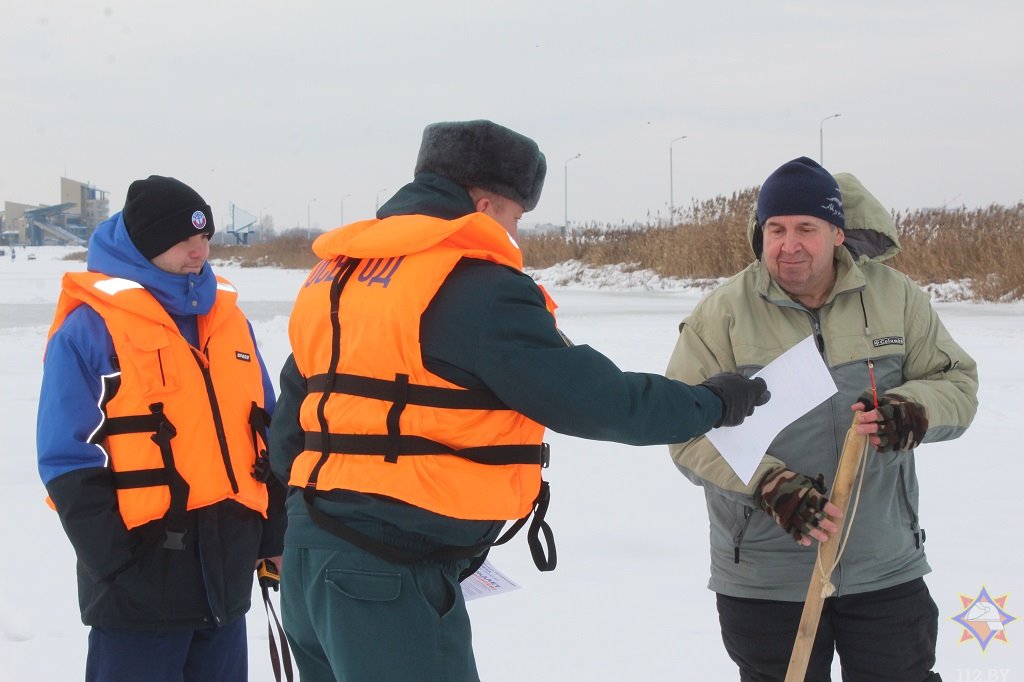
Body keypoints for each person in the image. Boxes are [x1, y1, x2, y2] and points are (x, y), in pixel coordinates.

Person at [269, 119, 770, 681]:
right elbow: (595, 400)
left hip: (312, 559)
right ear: (483, 205)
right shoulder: (474, 286)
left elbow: (291, 426)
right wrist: (711, 403)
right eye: (515, 217)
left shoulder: (340, 278)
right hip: (388, 574)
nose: (515, 234)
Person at [666, 157, 979, 682]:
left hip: (884, 566)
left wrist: (915, 410)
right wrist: (769, 484)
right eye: (777, 229)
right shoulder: (721, 314)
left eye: (806, 229)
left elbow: (958, 385)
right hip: (768, 577)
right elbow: (683, 429)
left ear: (836, 232)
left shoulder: (895, 299)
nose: (790, 245)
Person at [37, 176, 285, 682]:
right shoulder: (90, 328)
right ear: (146, 245)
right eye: (183, 240)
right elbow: (67, 460)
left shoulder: (230, 322)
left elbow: (267, 430)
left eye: (205, 237)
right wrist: (116, 567)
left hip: (227, 578)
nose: (200, 251)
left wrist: (273, 536)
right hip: (138, 589)